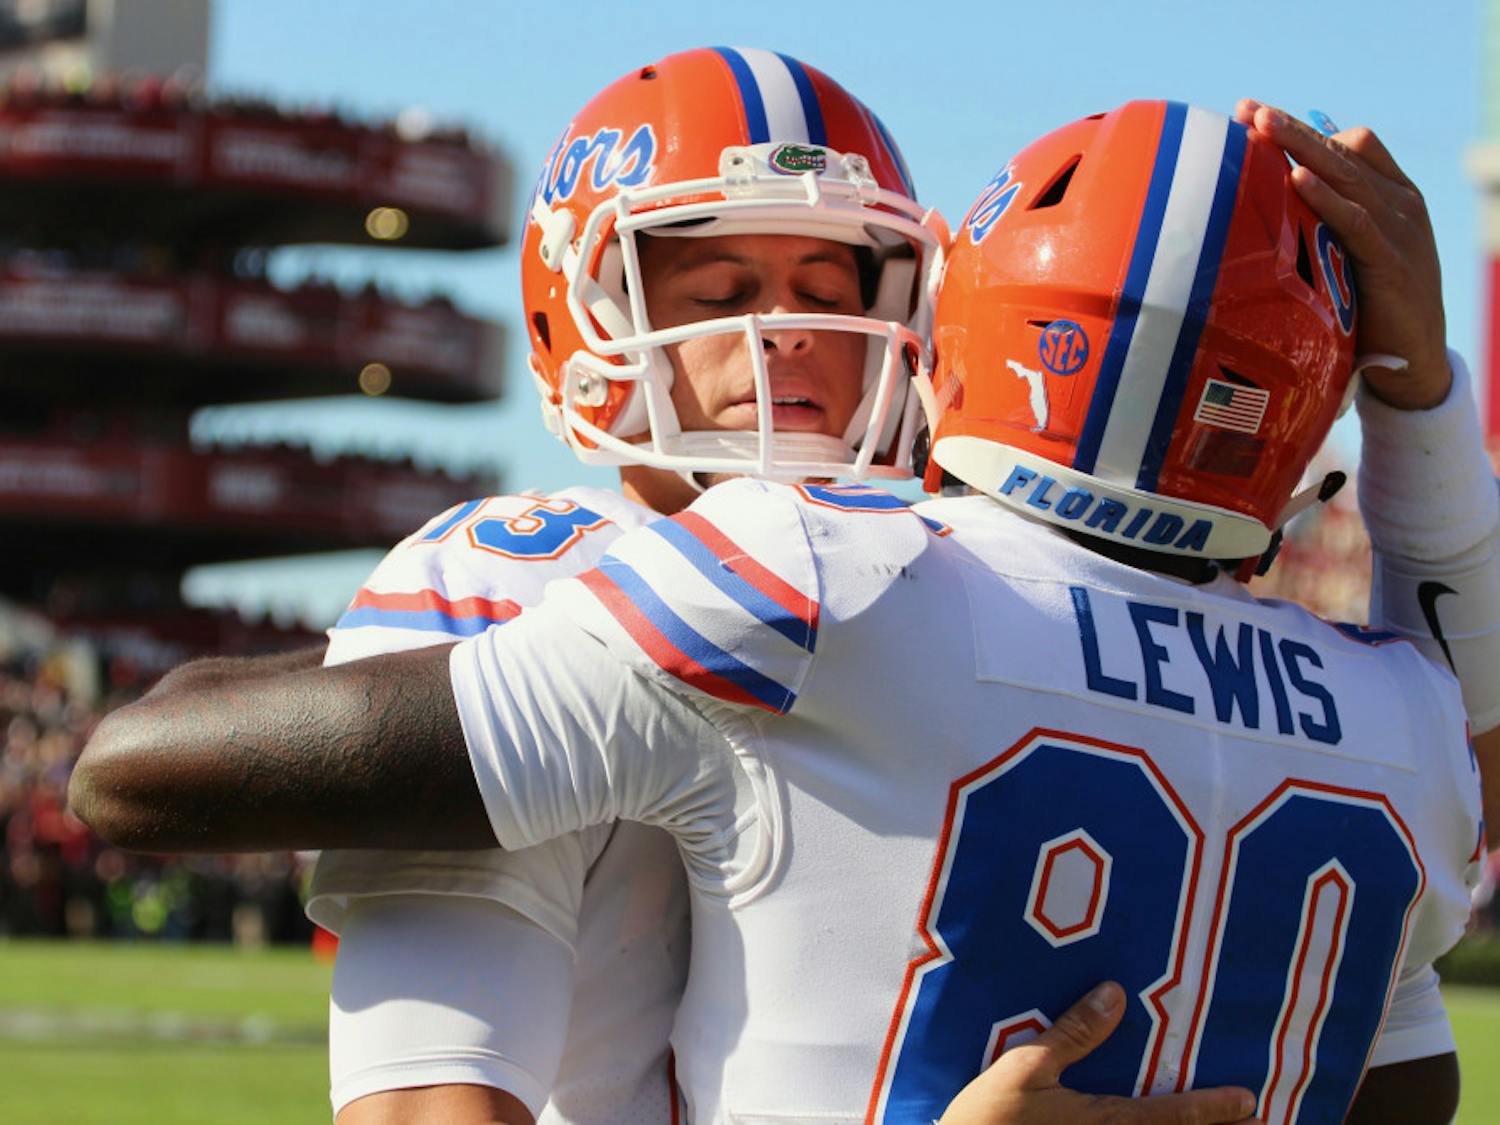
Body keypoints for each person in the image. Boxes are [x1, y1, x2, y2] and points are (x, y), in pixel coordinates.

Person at [71, 98, 1497, 1123]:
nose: (790, 332)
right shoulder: (1400, 705)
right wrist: (1422, 401)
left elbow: (130, 767)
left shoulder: (828, 568)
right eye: (722, 281)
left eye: (834, 283)